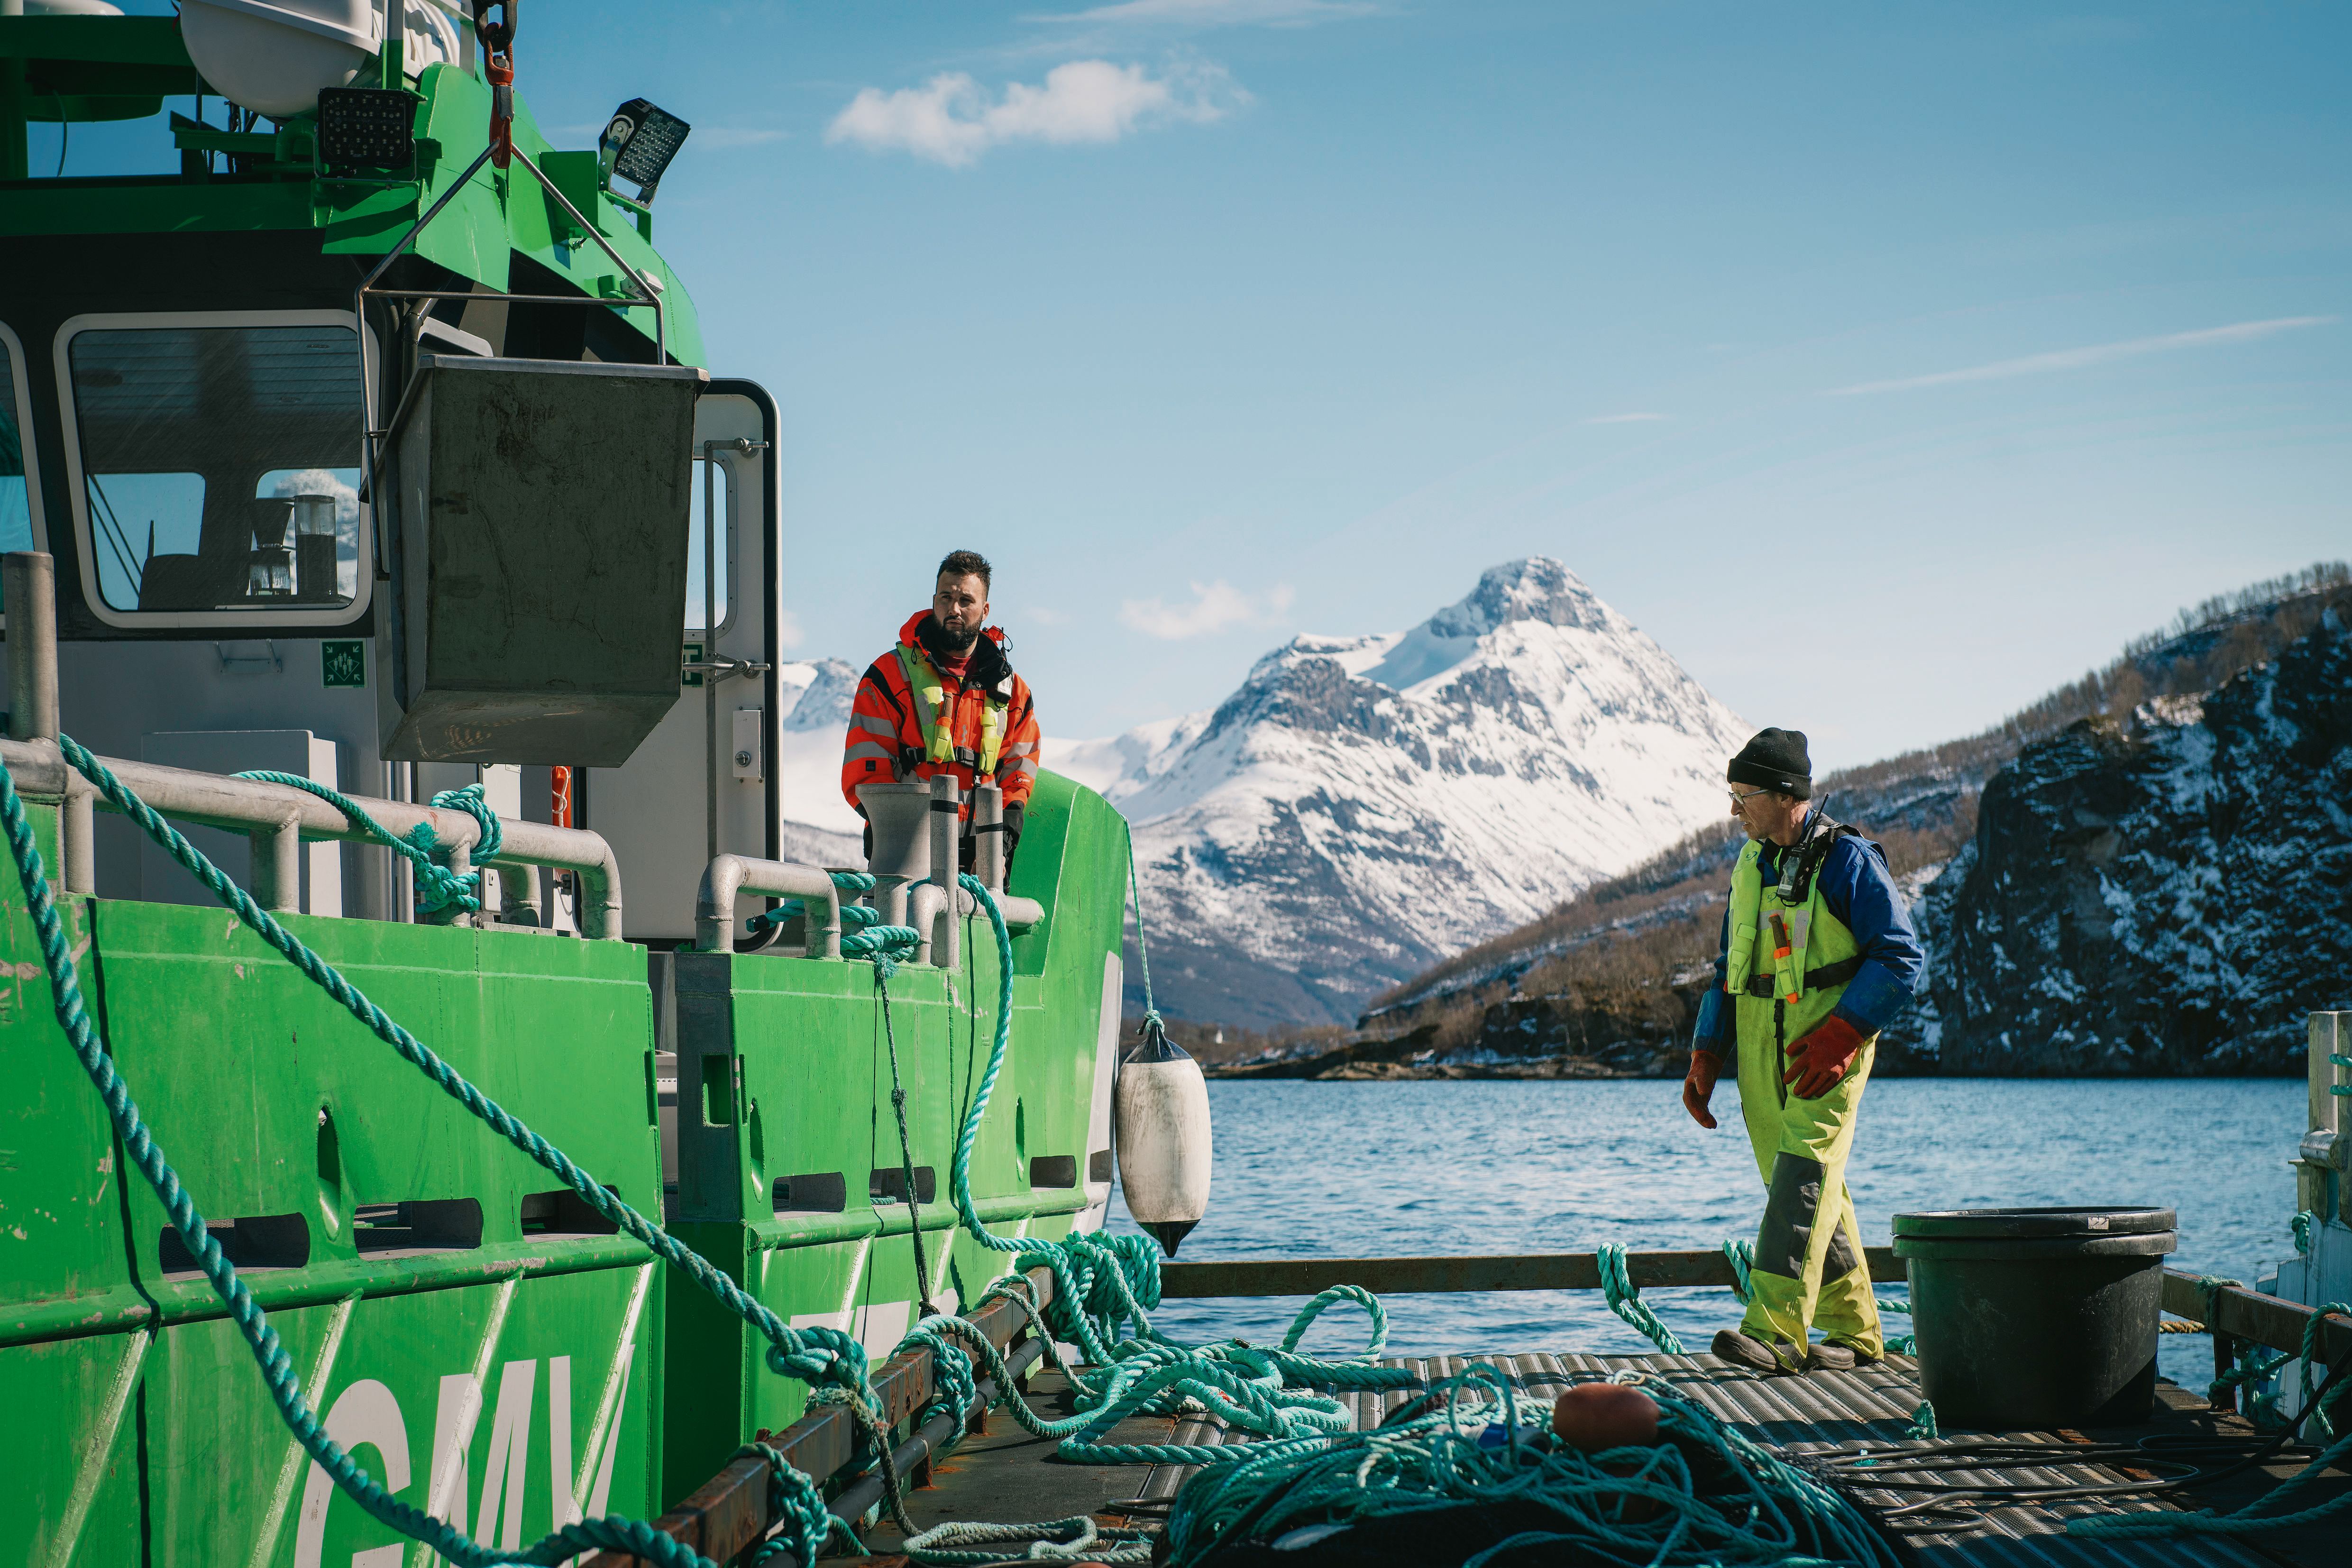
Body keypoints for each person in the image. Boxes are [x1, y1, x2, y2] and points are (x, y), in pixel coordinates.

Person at [1681, 728, 1924, 1375]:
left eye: (1745, 795)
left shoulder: (1849, 861)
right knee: (1807, 1187)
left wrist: (1846, 1032)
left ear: (1786, 793)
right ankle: (1854, 1331)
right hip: (1761, 1051)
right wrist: (1707, 1051)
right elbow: (1728, 968)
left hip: (1828, 1046)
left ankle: (1773, 1330)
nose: (1736, 809)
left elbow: (1901, 956)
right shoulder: (1751, 863)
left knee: (1803, 1176)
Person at [841, 550, 1042, 871]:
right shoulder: (888, 676)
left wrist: (998, 847)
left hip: (982, 864)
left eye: (966, 600)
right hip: (903, 859)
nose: (954, 608)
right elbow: (864, 775)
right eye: (946, 597)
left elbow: (1018, 775)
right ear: (934, 600)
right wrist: (906, 839)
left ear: (985, 609)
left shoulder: (1012, 691)